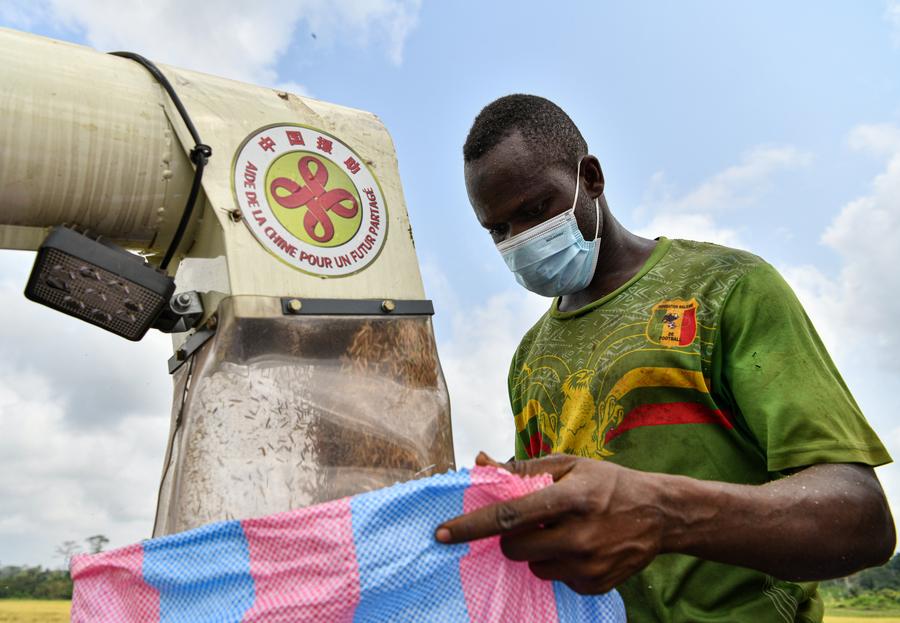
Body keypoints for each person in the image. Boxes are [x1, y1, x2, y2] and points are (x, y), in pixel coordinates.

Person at [434, 94, 895, 622]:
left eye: (536, 210)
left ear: (592, 178)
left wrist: (661, 514)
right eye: (499, 230)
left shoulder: (725, 289)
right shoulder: (528, 359)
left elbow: (863, 521)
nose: (522, 241)